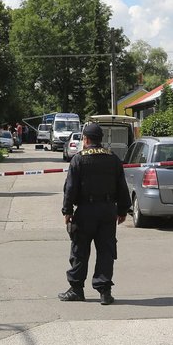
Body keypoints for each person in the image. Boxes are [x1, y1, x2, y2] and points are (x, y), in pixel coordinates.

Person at [59, 122, 131, 305]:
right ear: (100, 139)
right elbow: (122, 186)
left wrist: (67, 211)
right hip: (108, 211)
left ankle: (76, 289)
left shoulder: (79, 159)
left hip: (85, 211)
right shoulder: (113, 158)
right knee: (106, 251)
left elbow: (70, 188)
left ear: (86, 139)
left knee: (80, 250)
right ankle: (105, 292)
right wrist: (123, 210)